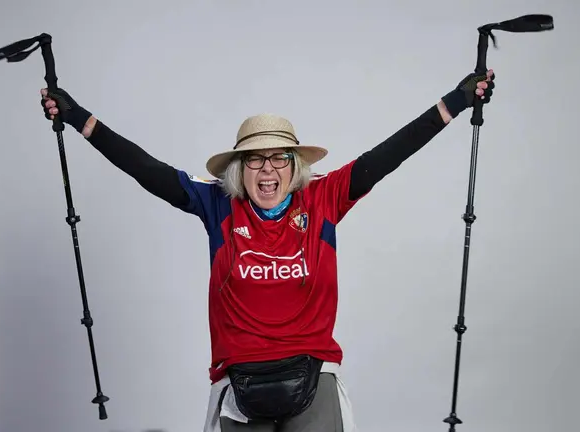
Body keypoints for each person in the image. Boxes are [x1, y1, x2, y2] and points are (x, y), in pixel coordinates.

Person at [40, 68, 495, 432]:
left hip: (315, 370)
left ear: (295, 165)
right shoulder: (216, 202)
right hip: (239, 379)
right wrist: (81, 118)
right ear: (240, 167)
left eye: (280, 157)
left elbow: (391, 152)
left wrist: (455, 101)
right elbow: (145, 168)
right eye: (255, 158)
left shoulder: (324, 197)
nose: (267, 169)